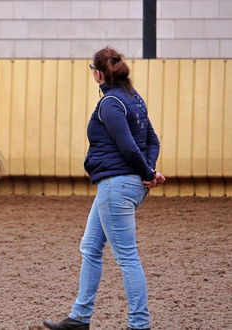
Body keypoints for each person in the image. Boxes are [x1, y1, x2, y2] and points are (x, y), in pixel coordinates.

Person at [43, 47, 165, 330]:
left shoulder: (110, 103)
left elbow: (127, 146)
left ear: (98, 73)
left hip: (116, 186)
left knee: (127, 257)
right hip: (123, 185)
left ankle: (139, 324)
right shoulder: (134, 99)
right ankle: (79, 318)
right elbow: (152, 140)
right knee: (90, 247)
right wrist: (148, 172)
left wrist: (147, 172)